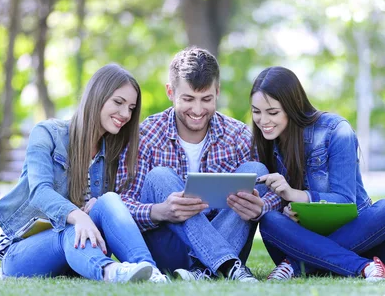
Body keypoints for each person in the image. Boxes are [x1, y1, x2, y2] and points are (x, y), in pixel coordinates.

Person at [0, 64, 169, 283]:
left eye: (131, 108)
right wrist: (79, 215)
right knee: (69, 228)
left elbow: (121, 207)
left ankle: (150, 272)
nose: (125, 114)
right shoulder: (47, 134)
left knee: (110, 200)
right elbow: (39, 191)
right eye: (118, 102)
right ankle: (110, 272)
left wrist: (99, 204)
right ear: (97, 96)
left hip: (79, 252)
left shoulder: (114, 152)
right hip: (24, 251)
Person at [117, 47, 281, 282]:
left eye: (206, 99)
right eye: (188, 99)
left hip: (228, 236)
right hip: (170, 249)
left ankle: (204, 271)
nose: (197, 110)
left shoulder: (237, 135)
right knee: (160, 176)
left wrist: (261, 206)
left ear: (217, 91)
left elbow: (275, 192)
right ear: (170, 92)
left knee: (257, 171)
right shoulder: (147, 134)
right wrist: (159, 211)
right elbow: (121, 203)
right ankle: (223, 265)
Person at [251, 66, 385, 281]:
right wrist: (285, 210)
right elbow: (275, 204)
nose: (263, 121)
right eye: (256, 112)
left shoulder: (336, 131)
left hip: (358, 240)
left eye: (272, 112)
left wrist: (295, 195)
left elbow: (343, 201)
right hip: (305, 242)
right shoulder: (265, 142)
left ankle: (296, 266)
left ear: (292, 107)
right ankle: (365, 268)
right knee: (269, 221)